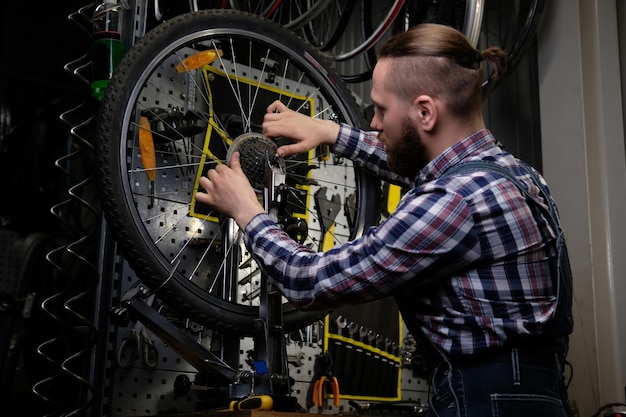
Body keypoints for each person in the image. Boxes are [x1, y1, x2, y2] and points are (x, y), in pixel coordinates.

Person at [196, 23, 574, 417]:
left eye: (381, 110)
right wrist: (329, 131)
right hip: (530, 395)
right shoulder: (512, 175)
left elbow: (308, 281)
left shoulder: (454, 202)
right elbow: (417, 165)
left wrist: (247, 212)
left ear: (425, 111)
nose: (374, 123)